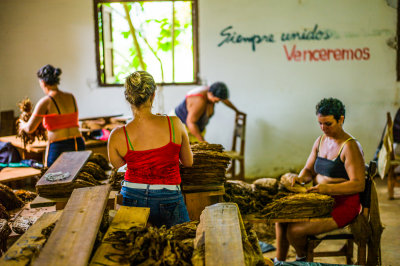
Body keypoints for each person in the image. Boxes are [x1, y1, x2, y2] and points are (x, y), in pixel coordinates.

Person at [274, 98, 365, 262]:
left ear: (341, 119)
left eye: (328, 124)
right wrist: (300, 178)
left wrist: (327, 189)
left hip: (343, 205)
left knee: (295, 231)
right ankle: (278, 262)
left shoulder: (350, 146)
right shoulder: (321, 140)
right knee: (280, 219)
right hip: (320, 200)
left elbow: (359, 183)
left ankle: (301, 260)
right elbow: (308, 169)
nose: (324, 128)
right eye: (320, 124)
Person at [108, 71, 193, 228]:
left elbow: (118, 165)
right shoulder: (174, 123)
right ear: (153, 95)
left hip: (132, 196)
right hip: (169, 196)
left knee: (135, 248)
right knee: (183, 244)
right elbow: (188, 162)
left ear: (128, 98)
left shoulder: (118, 135)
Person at [19, 64, 84, 167]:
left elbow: (30, 128)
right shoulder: (71, 97)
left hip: (59, 146)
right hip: (78, 143)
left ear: (43, 82)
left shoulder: (45, 101)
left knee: (53, 179)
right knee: (78, 178)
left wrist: (22, 124)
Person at [173, 82, 245, 142]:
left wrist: (236, 110)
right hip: (180, 125)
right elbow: (190, 122)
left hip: (194, 125)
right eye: (216, 101)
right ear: (210, 94)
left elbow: (224, 100)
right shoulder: (199, 101)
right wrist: (203, 141)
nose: (217, 103)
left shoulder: (212, 90)